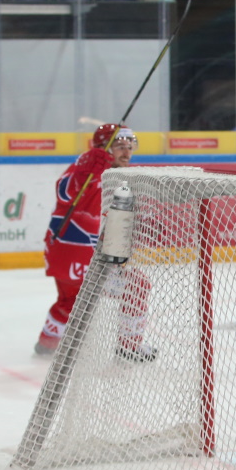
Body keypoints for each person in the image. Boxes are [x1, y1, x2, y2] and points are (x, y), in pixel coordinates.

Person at [35, 123, 144, 357]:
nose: (126, 153)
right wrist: (87, 169)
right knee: (70, 301)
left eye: (130, 146)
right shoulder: (85, 167)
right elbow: (65, 193)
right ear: (103, 148)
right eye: (119, 147)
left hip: (96, 252)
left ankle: (128, 346)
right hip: (70, 248)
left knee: (136, 286)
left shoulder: (121, 175)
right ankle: (48, 345)